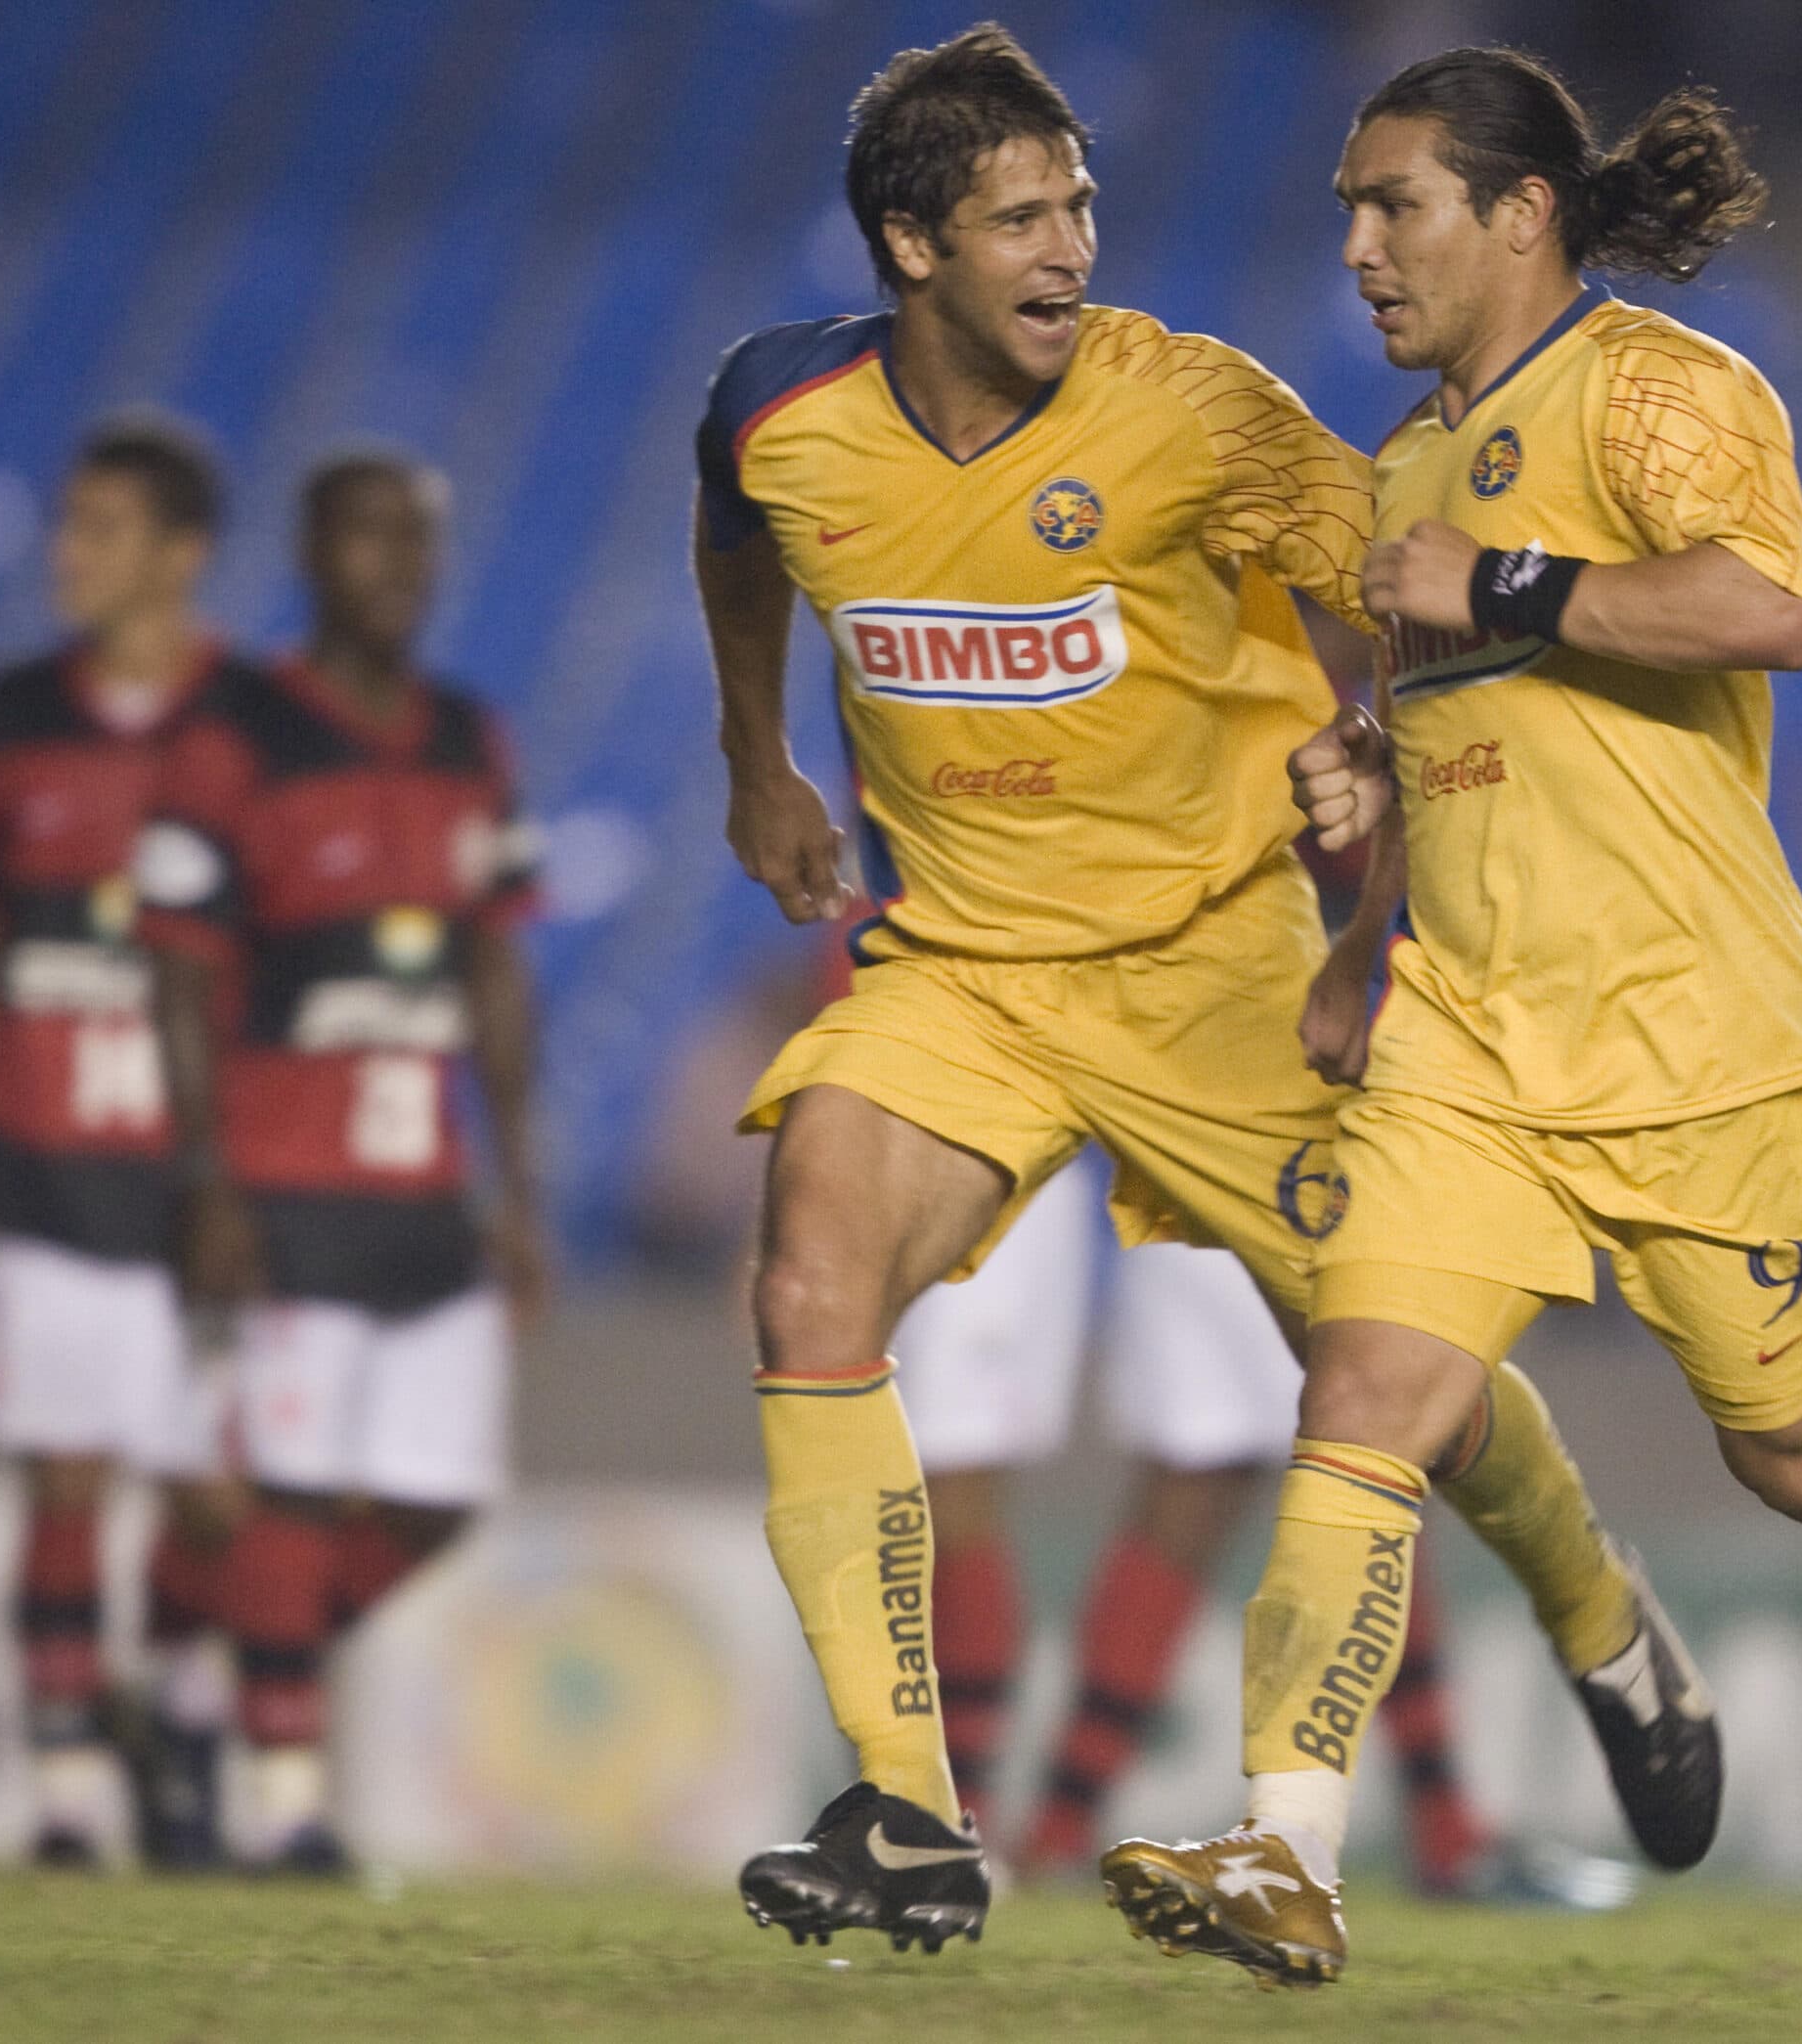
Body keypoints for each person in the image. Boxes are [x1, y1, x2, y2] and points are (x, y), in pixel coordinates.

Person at [1105, 46, 1802, 1987]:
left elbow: (1770, 607)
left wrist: (1506, 577)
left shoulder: (1666, 389)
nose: (1355, 244)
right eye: (1346, 204)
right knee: (1362, 1402)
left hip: (1702, 1034)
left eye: (1393, 202)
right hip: (1472, 1035)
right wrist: (1362, 844)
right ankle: (1287, 1847)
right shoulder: (1410, 464)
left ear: (1516, 212)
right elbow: (1459, 730)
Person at [696, 27, 1708, 1961]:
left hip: (1215, 969)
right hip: (969, 967)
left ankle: (1601, 1616)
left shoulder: (1198, 416)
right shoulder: (776, 409)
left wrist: (1374, 857)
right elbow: (740, 546)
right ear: (912, 246)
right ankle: (909, 1811)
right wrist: (759, 759)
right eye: (1021, 217)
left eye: (1080, 202)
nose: (1072, 243)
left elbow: (1419, 607)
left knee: (1396, 1382)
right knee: (810, 1274)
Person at [138, 450, 546, 1873]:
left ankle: (192, 1682)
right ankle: (282, 1807)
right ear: (312, 555)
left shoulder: (466, 737)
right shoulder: (234, 732)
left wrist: (523, 1189)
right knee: (296, 1490)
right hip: (281, 1170)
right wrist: (206, 1179)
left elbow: (495, 972)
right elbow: (181, 973)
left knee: (433, 1494)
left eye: (416, 543)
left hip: (424, 1182)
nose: (397, 568)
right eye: (369, 540)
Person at [902, 1155, 1632, 1908]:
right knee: (994, 1450)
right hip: (1133, 1090)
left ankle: (1048, 1831)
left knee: (1309, 1453)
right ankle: (986, 1830)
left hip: (1236, 1102)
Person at [0, 413, 246, 1870]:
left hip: (195, 1184)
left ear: (181, 554)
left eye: (99, 528)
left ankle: (184, 1714)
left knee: (215, 1494)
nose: (66, 553)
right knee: (64, 1475)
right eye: (67, 524)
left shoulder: (254, 731)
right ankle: (69, 1804)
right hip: (36, 1167)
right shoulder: (6, 723)